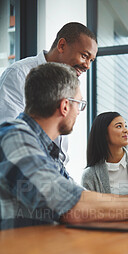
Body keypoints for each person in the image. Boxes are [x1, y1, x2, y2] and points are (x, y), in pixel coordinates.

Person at [0, 63, 128, 230]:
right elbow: (71, 207)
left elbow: (78, 195)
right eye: (80, 104)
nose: (79, 112)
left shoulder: (47, 150)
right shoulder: (15, 136)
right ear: (65, 106)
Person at [0, 22, 98, 165]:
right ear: (62, 46)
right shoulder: (19, 75)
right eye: (84, 56)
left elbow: (61, 153)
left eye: (91, 60)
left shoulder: (71, 84)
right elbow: (7, 139)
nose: (87, 66)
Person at [82, 112, 128, 194]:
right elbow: (89, 206)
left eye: (125, 126)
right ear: (104, 133)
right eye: (119, 126)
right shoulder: (90, 175)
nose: (126, 130)